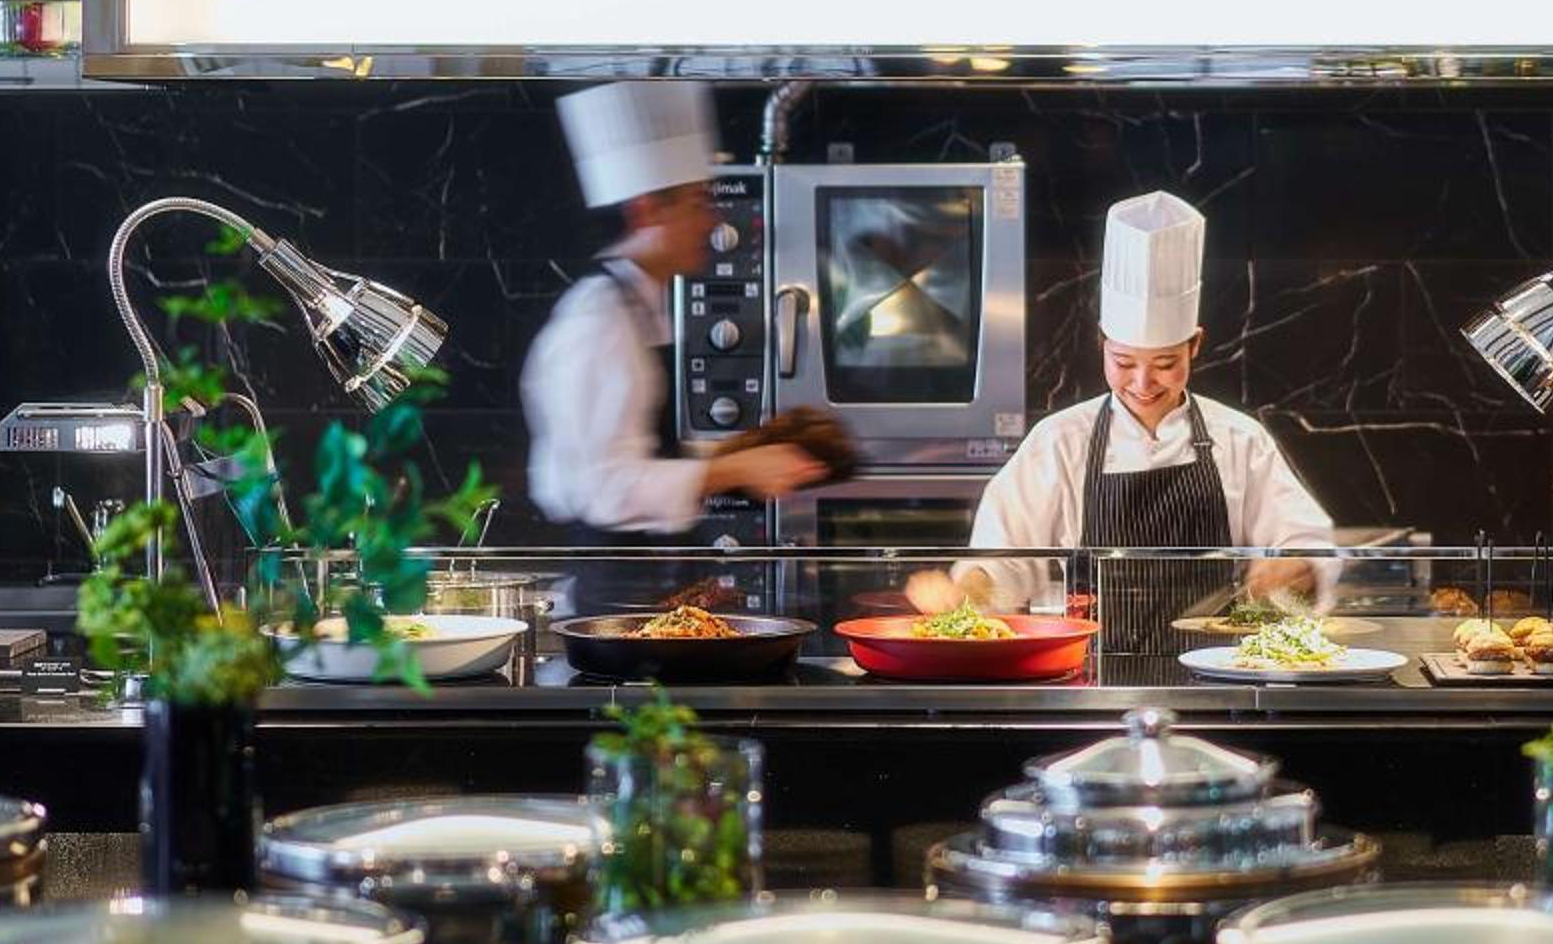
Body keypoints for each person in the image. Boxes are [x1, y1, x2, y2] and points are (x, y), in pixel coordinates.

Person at [913, 190, 1335, 631]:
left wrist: (1295, 568)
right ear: (1102, 343)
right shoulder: (1060, 440)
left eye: (1165, 364)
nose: (1142, 383)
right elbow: (1006, 556)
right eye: (1124, 362)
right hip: (1093, 664)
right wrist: (968, 591)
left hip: (1215, 662)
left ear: (1195, 345)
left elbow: (1303, 539)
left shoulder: (1240, 438)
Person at [521, 82, 834, 536]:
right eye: (698, 203)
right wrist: (736, 468)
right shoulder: (598, 320)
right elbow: (602, 489)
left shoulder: (638, 306)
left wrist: (743, 453)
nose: (711, 222)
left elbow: (646, 453)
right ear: (648, 211)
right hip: (615, 573)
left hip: (650, 567)